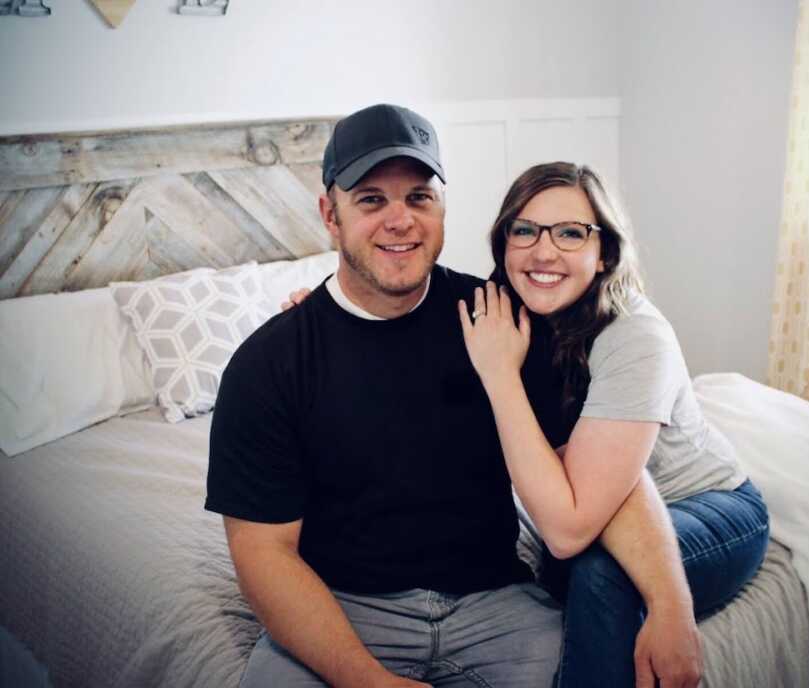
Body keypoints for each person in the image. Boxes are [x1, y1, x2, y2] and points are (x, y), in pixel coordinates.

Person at [212, 103, 700, 688]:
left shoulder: (501, 320)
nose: (400, 220)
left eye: (419, 197)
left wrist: (670, 601)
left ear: (443, 207)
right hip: (345, 609)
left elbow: (604, 471)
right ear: (330, 214)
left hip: (497, 603)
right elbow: (264, 555)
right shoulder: (269, 363)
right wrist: (365, 679)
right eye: (371, 199)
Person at [454, 162, 770, 688]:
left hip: (707, 501)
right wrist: (326, 313)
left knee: (598, 574)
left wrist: (670, 605)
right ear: (504, 242)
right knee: (566, 572)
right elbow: (404, 326)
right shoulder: (500, 311)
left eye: (571, 233)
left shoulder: (635, 336)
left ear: (603, 254)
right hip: (601, 511)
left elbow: (566, 528)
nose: (544, 252)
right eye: (525, 230)